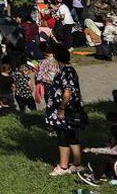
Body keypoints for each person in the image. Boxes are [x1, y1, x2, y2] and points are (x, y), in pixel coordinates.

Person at [46, 43, 86, 177]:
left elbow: (67, 92)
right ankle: (76, 163)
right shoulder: (68, 70)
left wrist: (62, 108)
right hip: (70, 108)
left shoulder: (66, 71)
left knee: (62, 136)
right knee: (71, 135)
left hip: (65, 109)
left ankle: (63, 166)